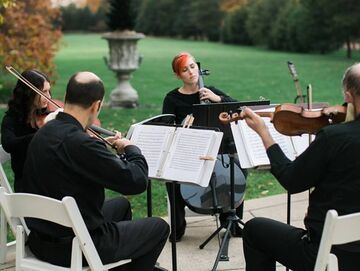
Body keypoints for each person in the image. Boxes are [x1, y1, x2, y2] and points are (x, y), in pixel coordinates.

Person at [23, 71, 169, 271]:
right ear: (96, 105)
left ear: (67, 98)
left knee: (121, 205)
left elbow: (77, 157)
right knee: (158, 228)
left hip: (41, 240)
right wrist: (131, 149)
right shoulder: (82, 144)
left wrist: (101, 153)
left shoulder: (45, 132)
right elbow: (136, 181)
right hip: (74, 245)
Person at [240, 63, 360, 271]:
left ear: (348, 96)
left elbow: (292, 180)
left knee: (254, 230)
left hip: (331, 255)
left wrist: (264, 133)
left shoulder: (334, 138)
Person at [162, 52, 245, 241]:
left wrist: (218, 100)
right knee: (172, 179)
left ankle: (231, 221)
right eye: (185, 70)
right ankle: (178, 227)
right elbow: (166, 126)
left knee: (237, 168)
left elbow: (238, 108)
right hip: (187, 151)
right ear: (178, 75)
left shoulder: (210, 91)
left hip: (217, 150)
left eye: (192, 66)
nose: (191, 72)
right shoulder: (172, 98)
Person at [1, 69, 51, 192]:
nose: (49, 96)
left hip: (51, 180)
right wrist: (41, 134)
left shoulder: (48, 116)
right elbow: (8, 144)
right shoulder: (11, 120)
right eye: (44, 92)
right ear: (29, 93)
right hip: (27, 186)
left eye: (49, 91)